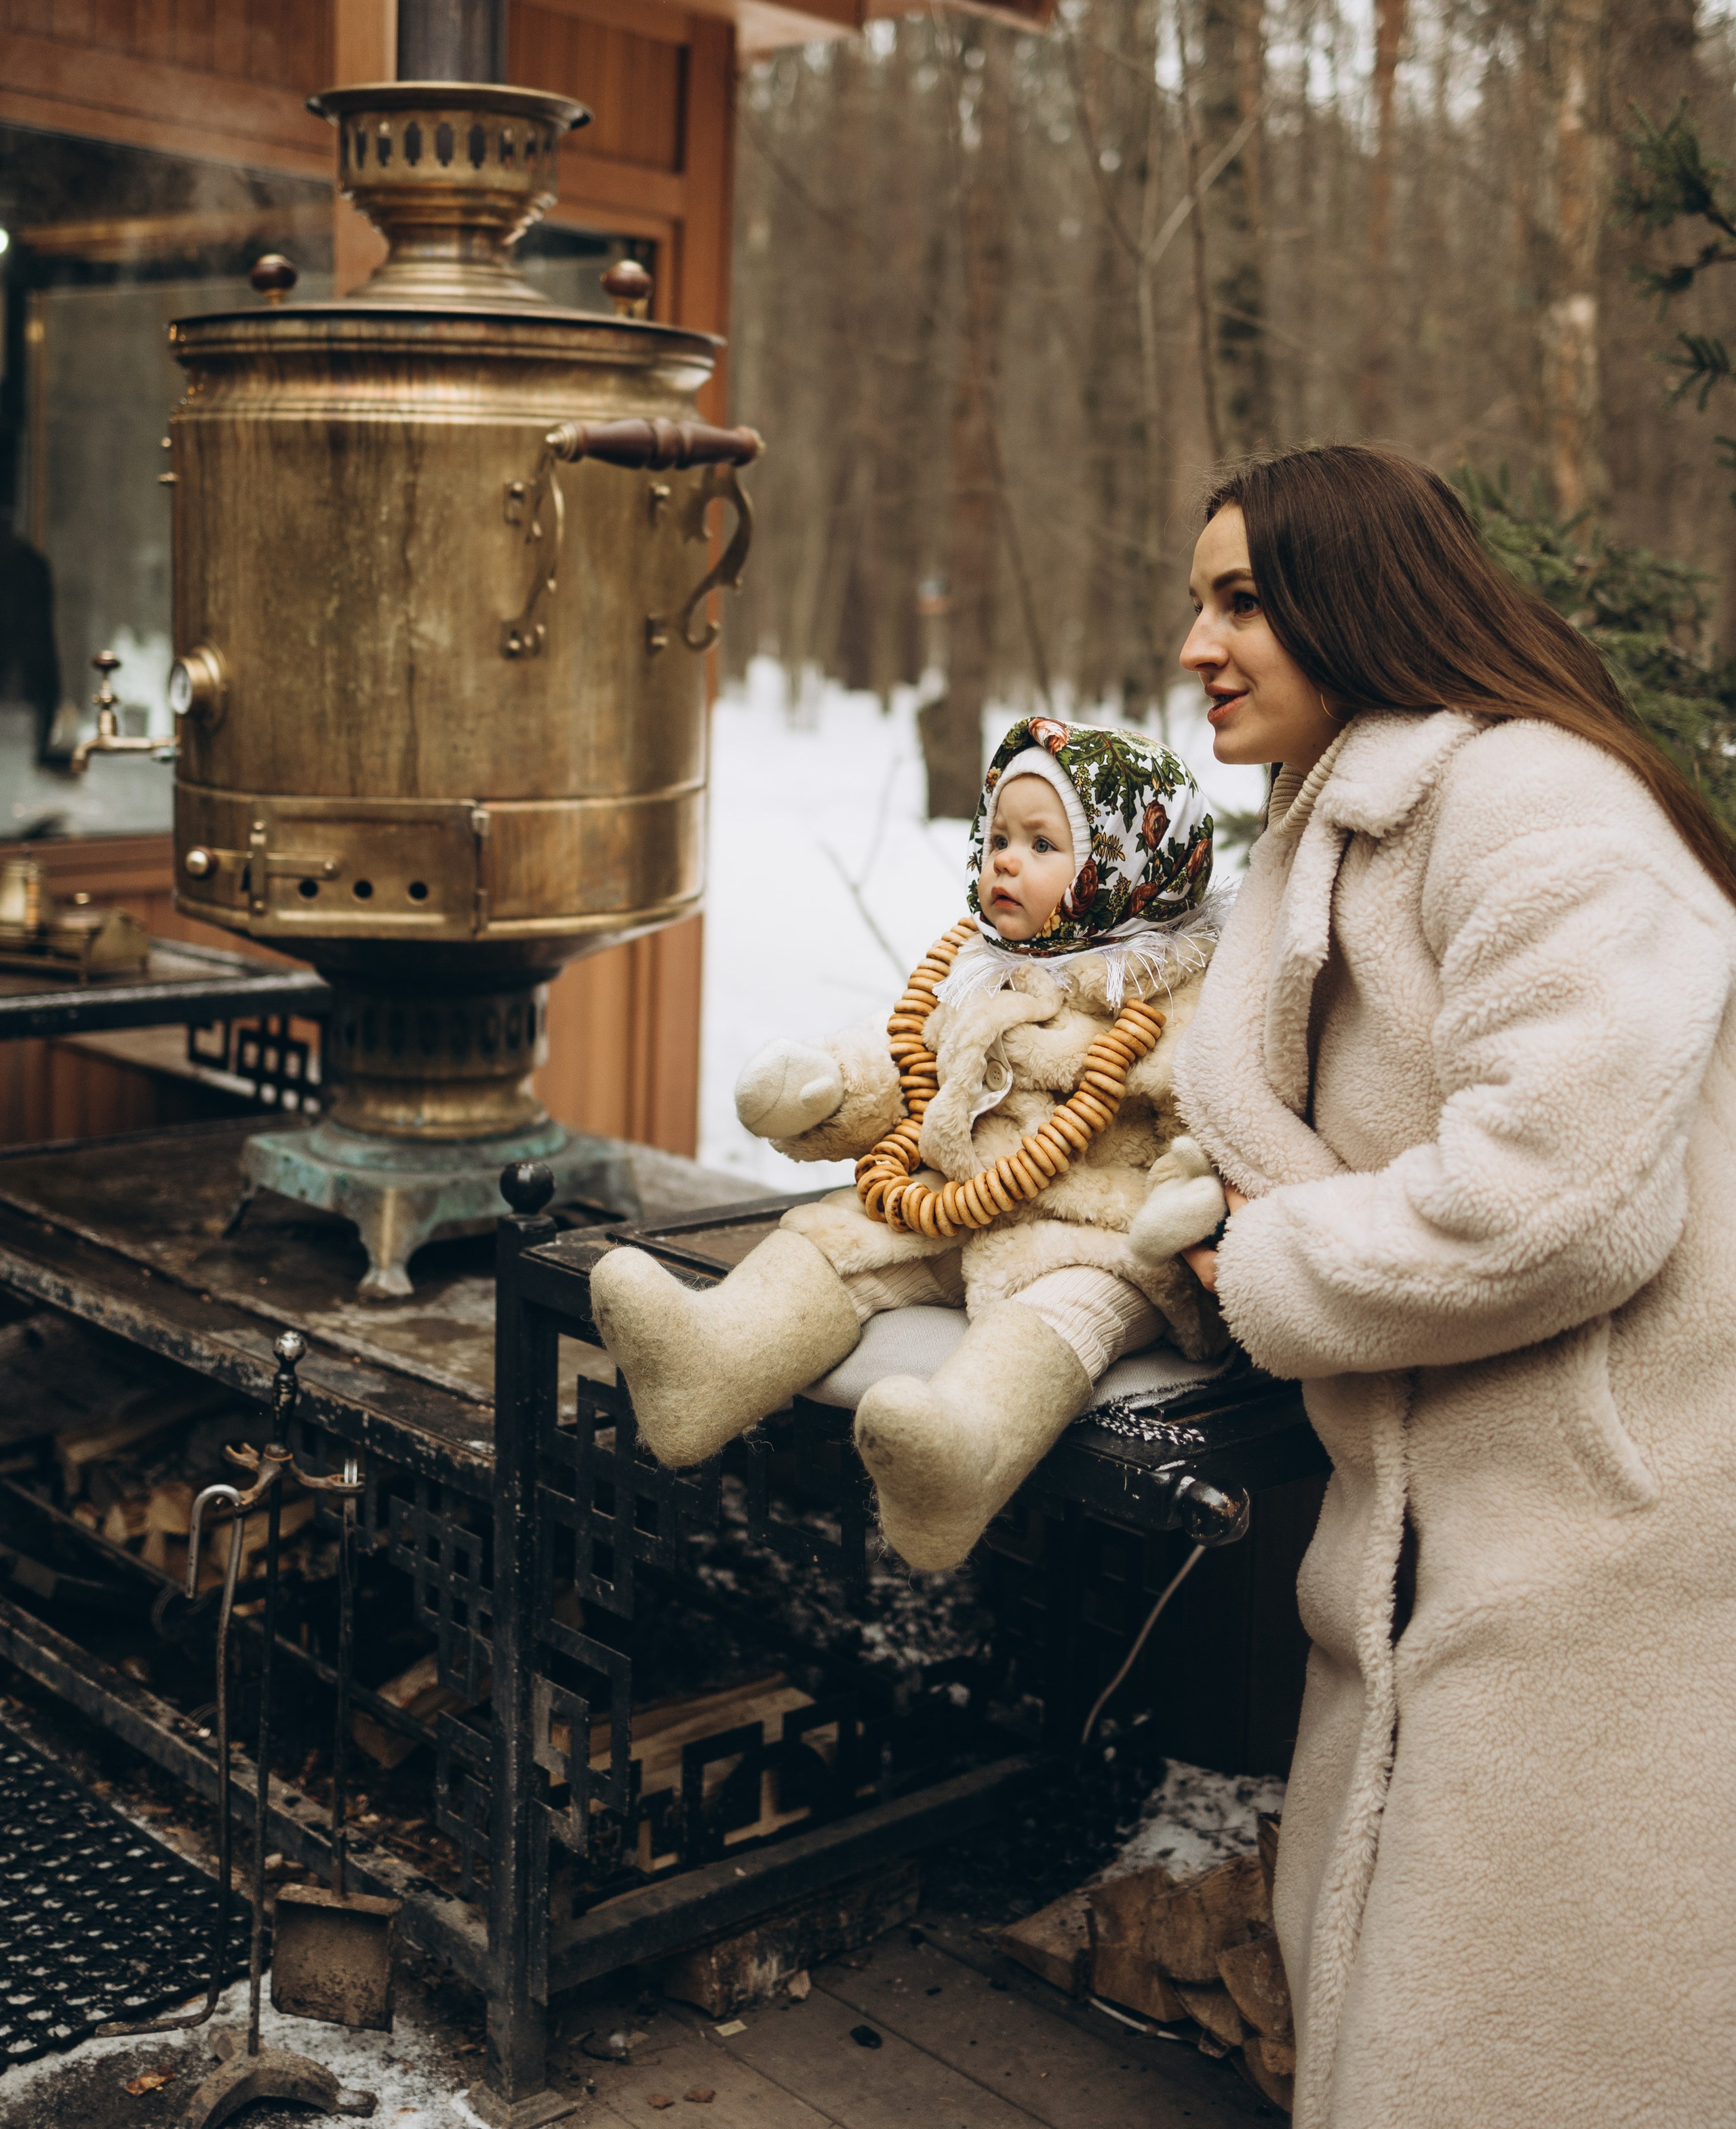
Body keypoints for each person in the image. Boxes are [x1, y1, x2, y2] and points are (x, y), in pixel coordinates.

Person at [1170, 445, 1736, 2129]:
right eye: (1194, 602)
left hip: (1609, 1538)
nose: (1196, 644)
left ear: (1357, 597)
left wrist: (1265, 1262)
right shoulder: (1342, 818)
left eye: (1240, 599)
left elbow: (1555, 1204)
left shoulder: (1534, 805)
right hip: (1444, 1519)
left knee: (1550, 2029)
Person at [591, 717, 1232, 1569]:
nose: (1005, 862)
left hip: (1095, 1235)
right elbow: (908, 1057)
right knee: (838, 1237)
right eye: (998, 839)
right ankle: (709, 1361)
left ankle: (959, 1458)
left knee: (1059, 1313)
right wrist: (827, 1085)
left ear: (1127, 868)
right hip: (954, 1202)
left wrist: (1196, 1191)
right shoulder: (979, 969)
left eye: (1042, 844)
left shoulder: (1177, 1003)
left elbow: (1212, 1118)